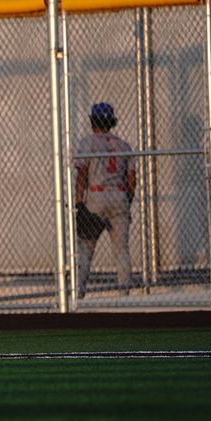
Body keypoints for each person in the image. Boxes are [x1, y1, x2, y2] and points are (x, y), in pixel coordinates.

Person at [74, 101, 138, 297]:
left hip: (96, 196)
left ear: (93, 121)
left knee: (85, 248)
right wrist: (126, 203)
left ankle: (79, 292)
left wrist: (79, 203)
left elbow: (82, 175)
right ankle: (124, 293)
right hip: (119, 195)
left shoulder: (87, 143)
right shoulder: (124, 145)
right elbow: (132, 180)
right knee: (122, 250)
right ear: (111, 122)